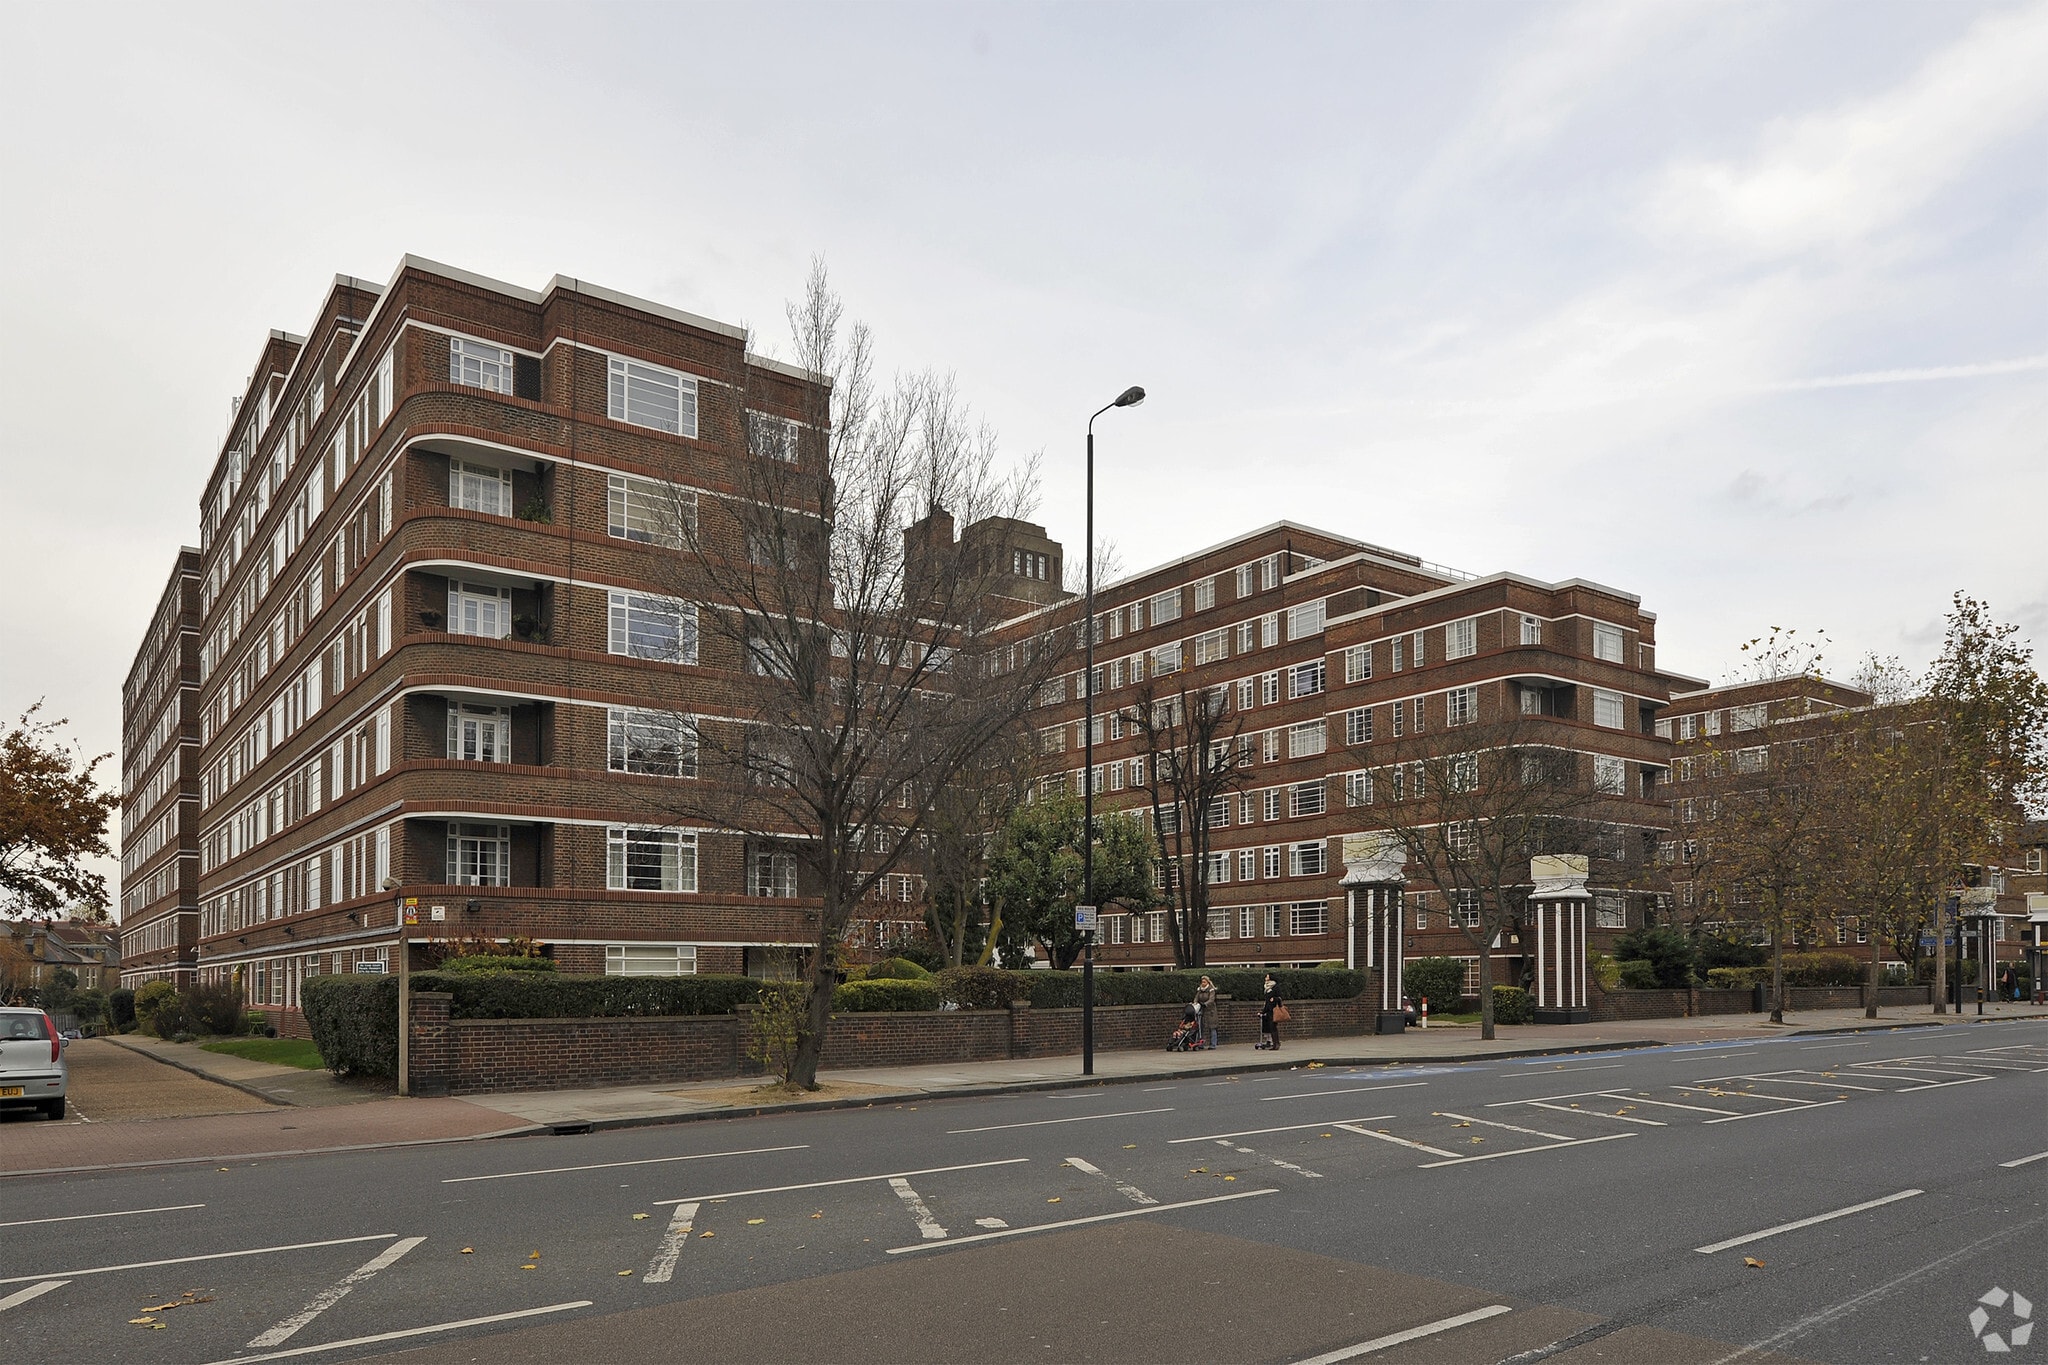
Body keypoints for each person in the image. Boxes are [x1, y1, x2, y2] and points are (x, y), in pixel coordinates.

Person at [1257, 974, 1283, 1050]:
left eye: (1267, 977)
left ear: (1270, 978)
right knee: (1271, 1027)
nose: (1265, 978)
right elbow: (1267, 1001)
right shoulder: (1266, 987)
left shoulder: (1276, 987)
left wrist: (1274, 999)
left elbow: (1280, 997)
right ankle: (1275, 1043)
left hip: (1274, 1009)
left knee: (1273, 1027)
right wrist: (1263, 1012)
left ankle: (1276, 1044)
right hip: (1268, 1009)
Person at [1195, 976, 1218, 1049]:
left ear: (1208, 982)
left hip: (1210, 1011)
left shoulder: (1211, 990)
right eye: (1202, 982)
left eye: (1204, 982)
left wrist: (1205, 1004)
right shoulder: (1200, 990)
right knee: (1201, 1027)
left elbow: (1211, 999)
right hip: (1202, 1010)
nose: (1203, 983)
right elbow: (1196, 997)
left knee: (1212, 1027)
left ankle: (1213, 1044)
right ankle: (1201, 1043)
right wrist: (1195, 1003)